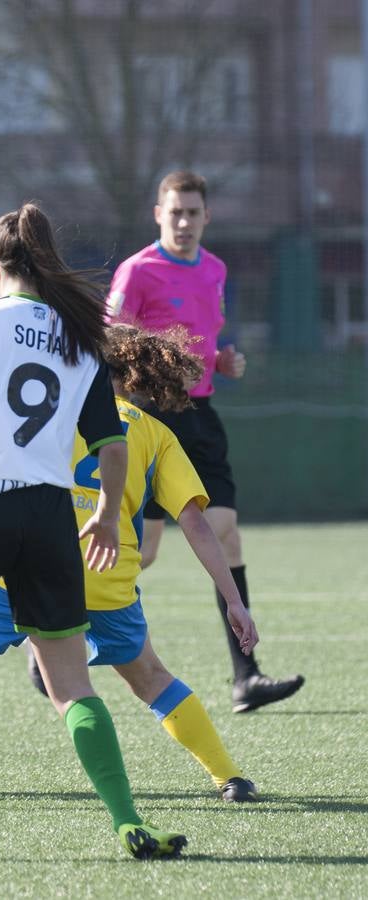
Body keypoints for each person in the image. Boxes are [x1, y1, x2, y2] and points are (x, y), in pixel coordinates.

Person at [0, 203, 185, 862]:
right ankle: (128, 823)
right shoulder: (79, 337)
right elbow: (113, 447)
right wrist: (107, 515)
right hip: (51, 516)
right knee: (71, 685)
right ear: (43, 264)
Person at [0, 324, 260, 815]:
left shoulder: (56, 416)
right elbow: (196, 524)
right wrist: (233, 599)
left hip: (21, 569)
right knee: (150, 678)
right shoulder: (156, 433)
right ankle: (230, 776)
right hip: (106, 580)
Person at [109, 170, 303, 714]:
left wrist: (221, 361)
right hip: (150, 418)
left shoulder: (215, 270)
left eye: (194, 212)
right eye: (176, 212)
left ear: (206, 217)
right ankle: (48, 632)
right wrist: (142, 386)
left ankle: (246, 677)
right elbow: (111, 342)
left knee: (225, 532)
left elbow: (202, 340)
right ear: (158, 214)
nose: (185, 222)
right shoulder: (138, 271)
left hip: (200, 416)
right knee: (141, 552)